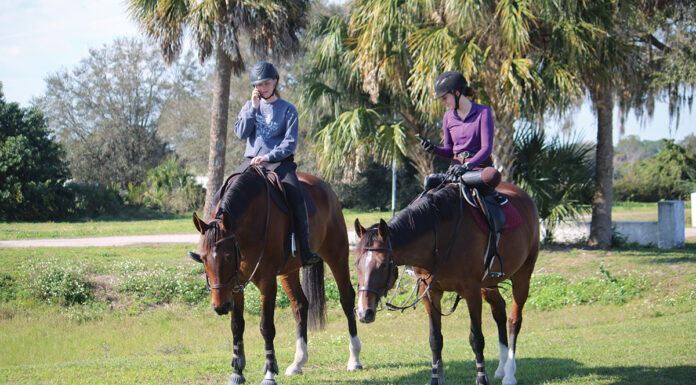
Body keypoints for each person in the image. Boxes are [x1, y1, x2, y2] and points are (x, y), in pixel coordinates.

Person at [231, 61, 320, 267]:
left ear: (275, 81)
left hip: (278, 163)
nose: (262, 88)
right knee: (224, 191)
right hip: (251, 161)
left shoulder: (288, 109)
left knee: (296, 196)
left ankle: (305, 250)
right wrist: (253, 109)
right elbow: (240, 133)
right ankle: (215, 244)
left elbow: (290, 143)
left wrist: (269, 156)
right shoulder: (249, 106)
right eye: (258, 85)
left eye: (266, 84)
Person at [419, 71, 501, 193]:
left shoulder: (483, 112)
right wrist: (434, 149)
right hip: (455, 170)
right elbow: (449, 150)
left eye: (445, 98)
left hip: (479, 170)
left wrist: (468, 166)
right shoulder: (447, 117)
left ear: (457, 93)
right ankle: (450, 178)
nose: (443, 102)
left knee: (491, 175)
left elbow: (486, 149)